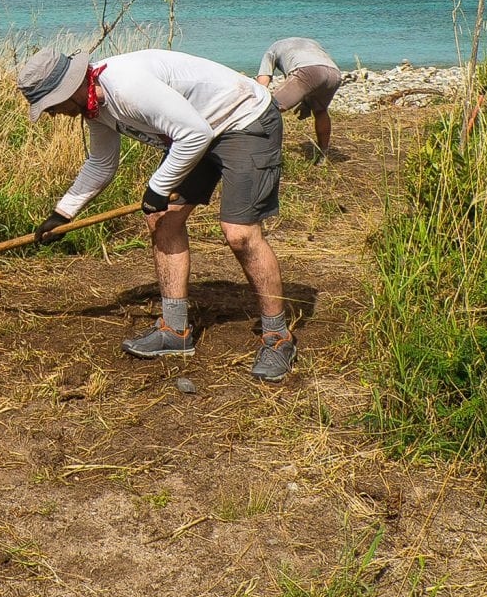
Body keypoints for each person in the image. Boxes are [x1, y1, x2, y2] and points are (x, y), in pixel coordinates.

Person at [15, 47, 298, 382]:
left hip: (245, 120)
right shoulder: (95, 106)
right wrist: (63, 213)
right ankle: (174, 332)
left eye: (52, 105)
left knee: (239, 232)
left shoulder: (127, 88)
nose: (52, 114)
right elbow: (101, 163)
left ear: (69, 89)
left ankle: (278, 337)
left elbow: (194, 134)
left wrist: (158, 187)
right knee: (161, 219)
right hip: (199, 129)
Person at [256, 37, 343, 160]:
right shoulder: (312, 43)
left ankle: (264, 152)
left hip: (308, 71)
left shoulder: (272, 50)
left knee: (269, 108)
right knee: (320, 111)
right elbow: (319, 76)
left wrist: (255, 102)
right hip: (335, 74)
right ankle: (323, 154)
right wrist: (307, 103)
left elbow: (263, 81)